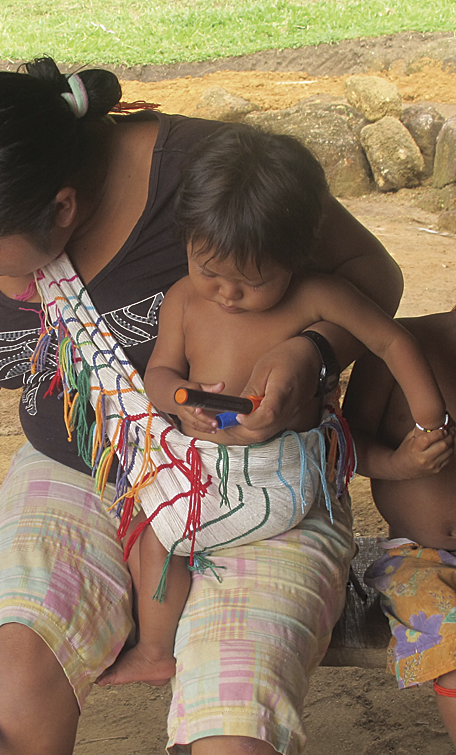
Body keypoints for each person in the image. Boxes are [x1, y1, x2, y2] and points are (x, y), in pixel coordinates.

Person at [0, 57, 404, 755]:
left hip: (246, 479)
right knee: (16, 670)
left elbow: (373, 276)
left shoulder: (210, 173)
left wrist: (310, 350)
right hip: (78, 468)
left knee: (233, 728)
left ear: (63, 208)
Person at [100, 124, 450, 688]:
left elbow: (392, 340)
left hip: (284, 469)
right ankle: (156, 647)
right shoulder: (184, 300)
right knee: (154, 530)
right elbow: (161, 374)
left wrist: (431, 421)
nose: (227, 294)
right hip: (203, 461)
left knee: (181, 535)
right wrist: (179, 407)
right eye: (209, 270)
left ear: (297, 255)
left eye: (252, 281)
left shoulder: (317, 295)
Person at [343, 308, 456, 742]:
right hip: (419, 557)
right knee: (451, 631)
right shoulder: (400, 344)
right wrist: (400, 463)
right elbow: (347, 440)